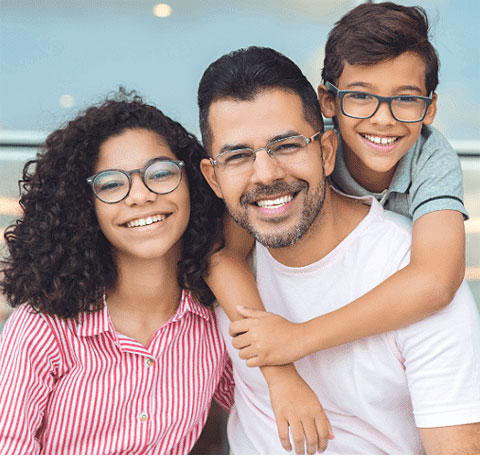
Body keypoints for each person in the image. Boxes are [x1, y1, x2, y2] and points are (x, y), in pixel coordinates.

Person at [198, 46, 480, 454]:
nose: (266, 174)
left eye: (288, 146)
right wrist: (281, 373)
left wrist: (296, 341)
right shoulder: (226, 261)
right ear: (213, 178)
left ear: (327, 151)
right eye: (238, 156)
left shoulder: (405, 267)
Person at [0, 90, 233, 454]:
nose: (140, 196)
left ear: (193, 184)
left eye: (159, 173)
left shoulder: (214, 321)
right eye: (111, 184)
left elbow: (263, 411)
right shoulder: (41, 330)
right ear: (84, 206)